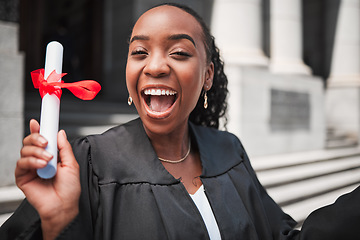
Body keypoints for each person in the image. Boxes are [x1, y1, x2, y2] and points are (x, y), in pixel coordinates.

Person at [1, 3, 359, 240]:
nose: (155, 66)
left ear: (206, 76)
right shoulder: (88, 163)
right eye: (139, 52)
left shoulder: (227, 151)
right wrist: (57, 222)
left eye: (179, 52)